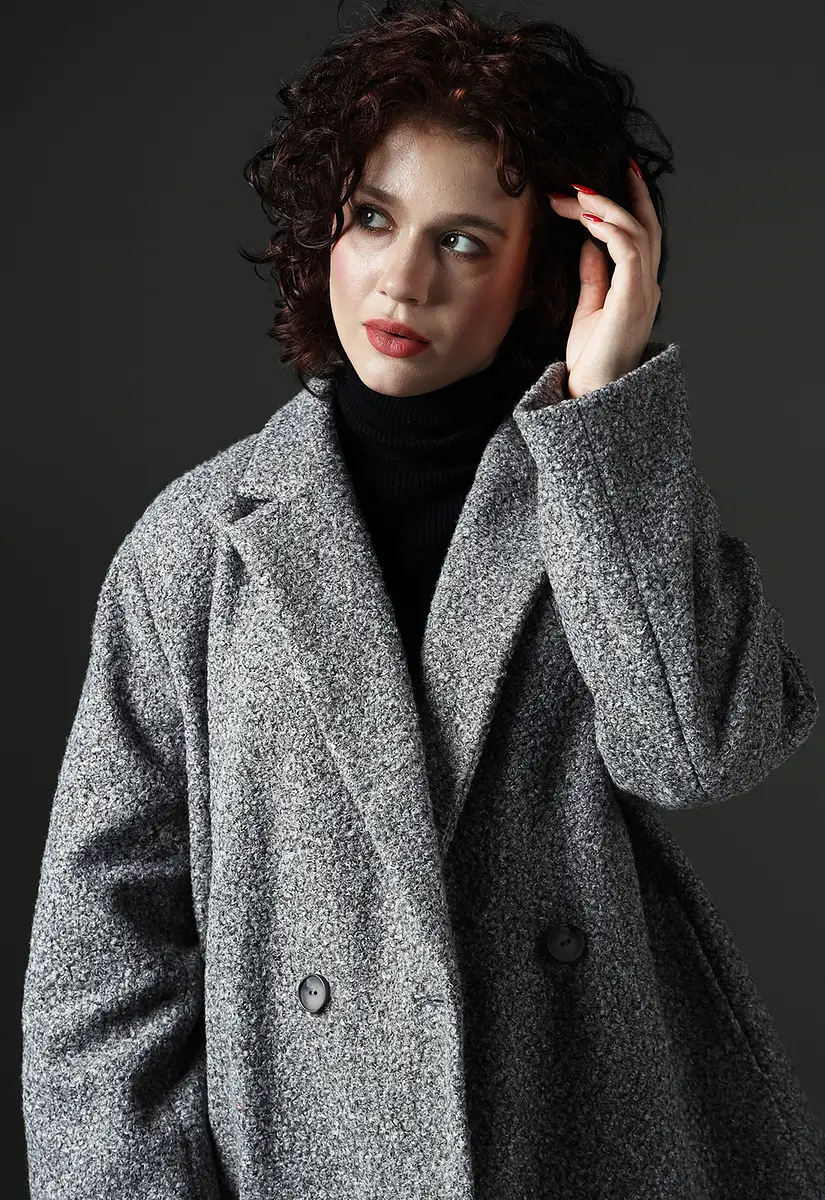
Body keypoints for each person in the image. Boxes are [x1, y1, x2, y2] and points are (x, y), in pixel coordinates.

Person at [21, 1, 825, 1197]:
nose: (402, 281)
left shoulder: (595, 488)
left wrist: (606, 415)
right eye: (372, 218)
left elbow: (701, 754)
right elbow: (102, 962)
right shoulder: (195, 546)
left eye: (463, 242)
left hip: (589, 1139)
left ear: (545, 269)